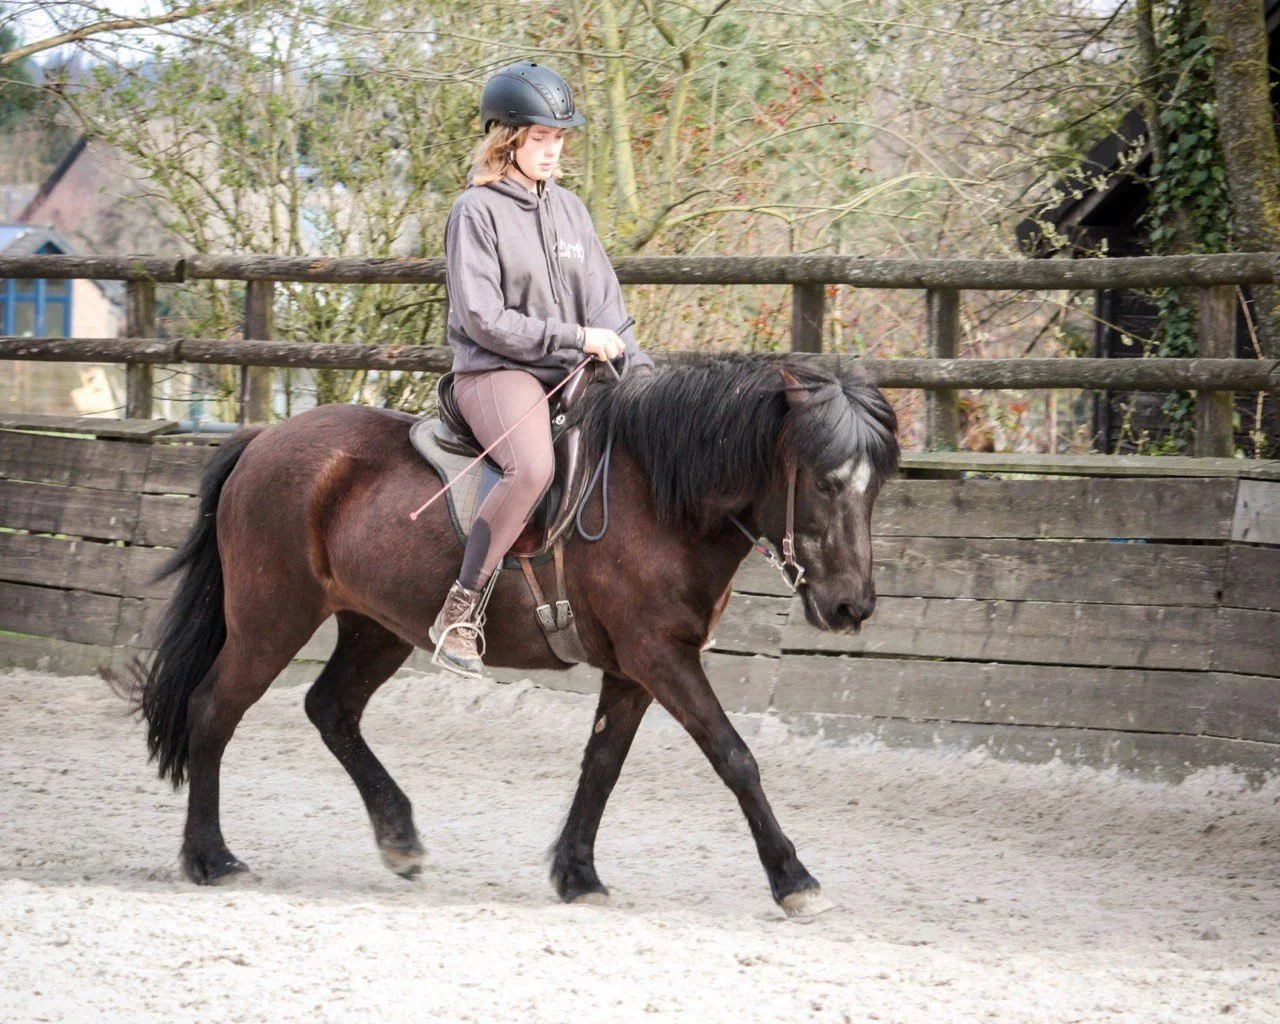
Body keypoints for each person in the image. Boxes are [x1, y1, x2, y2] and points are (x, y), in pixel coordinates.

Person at [430, 60, 652, 678]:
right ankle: (461, 608)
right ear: (507, 139)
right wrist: (573, 337)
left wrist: (644, 378)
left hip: (570, 369)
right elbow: (483, 318)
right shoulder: (475, 212)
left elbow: (609, 309)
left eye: (558, 138)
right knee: (531, 467)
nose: (553, 150)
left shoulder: (572, 211)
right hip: (496, 371)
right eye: (540, 137)